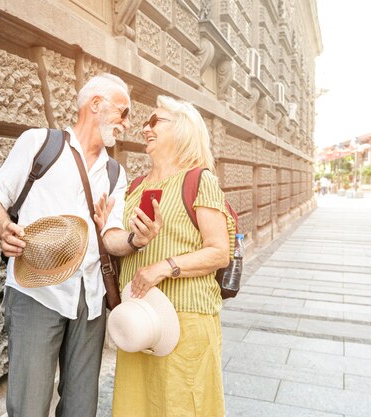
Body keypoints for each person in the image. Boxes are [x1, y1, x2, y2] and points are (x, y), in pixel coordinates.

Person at [0, 73, 162, 417]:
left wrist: (137, 239)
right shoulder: (39, 144)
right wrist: (4, 228)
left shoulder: (114, 173)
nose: (126, 124)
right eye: (123, 113)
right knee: (29, 407)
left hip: (90, 300)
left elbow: (111, 236)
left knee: (81, 409)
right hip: (36, 293)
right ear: (96, 105)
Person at [110, 96, 230, 417]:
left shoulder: (198, 180)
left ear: (182, 130)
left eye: (155, 122)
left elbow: (219, 252)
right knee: (137, 408)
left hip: (186, 320)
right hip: (137, 320)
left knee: (183, 406)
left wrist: (164, 267)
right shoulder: (134, 187)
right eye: (146, 123)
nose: (145, 129)